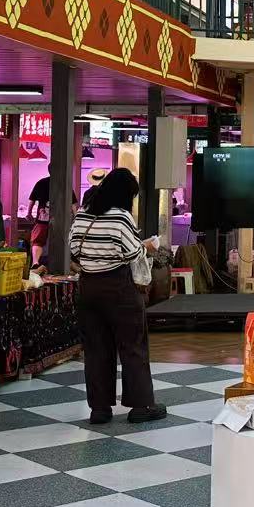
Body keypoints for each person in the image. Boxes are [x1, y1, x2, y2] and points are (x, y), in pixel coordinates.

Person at [68, 166, 165, 425]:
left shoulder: (82, 215)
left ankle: (99, 409)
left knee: (96, 349)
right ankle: (141, 406)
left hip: (88, 289)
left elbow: (73, 250)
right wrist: (147, 246)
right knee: (132, 346)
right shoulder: (121, 217)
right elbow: (133, 253)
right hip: (119, 288)